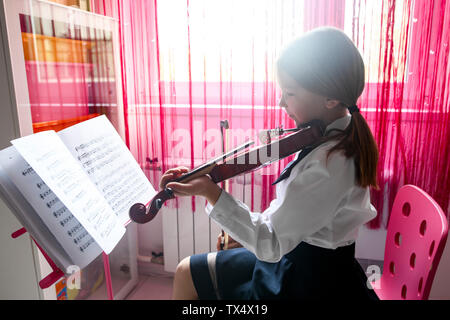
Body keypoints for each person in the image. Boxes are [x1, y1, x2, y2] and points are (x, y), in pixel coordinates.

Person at [161, 26, 380, 300]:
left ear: (331, 99)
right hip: (293, 253)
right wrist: (205, 179)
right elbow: (287, 217)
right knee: (186, 271)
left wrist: (210, 192)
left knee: (192, 275)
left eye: (289, 93)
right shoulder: (327, 135)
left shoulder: (333, 163)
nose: (280, 103)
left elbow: (272, 243)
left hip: (310, 278)